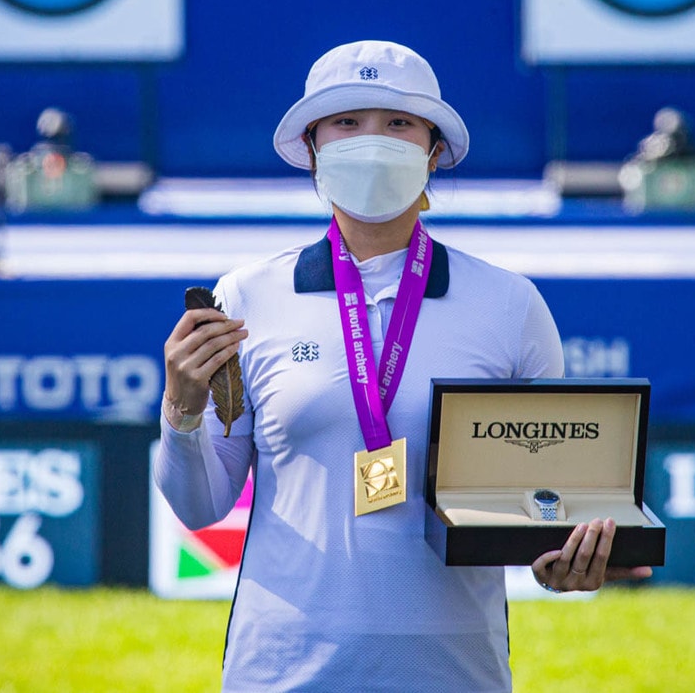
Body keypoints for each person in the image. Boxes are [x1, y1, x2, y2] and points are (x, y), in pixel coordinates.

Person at [155, 40, 651, 691]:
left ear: (433, 149)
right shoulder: (247, 297)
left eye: (398, 123)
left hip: (455, 671)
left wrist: (567, 559)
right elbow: (199, 507)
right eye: (346, 122)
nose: (371, 141)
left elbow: (548, 504)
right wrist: (182, 409)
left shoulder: (509, 304)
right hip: (280, 671)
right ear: (311, 147)